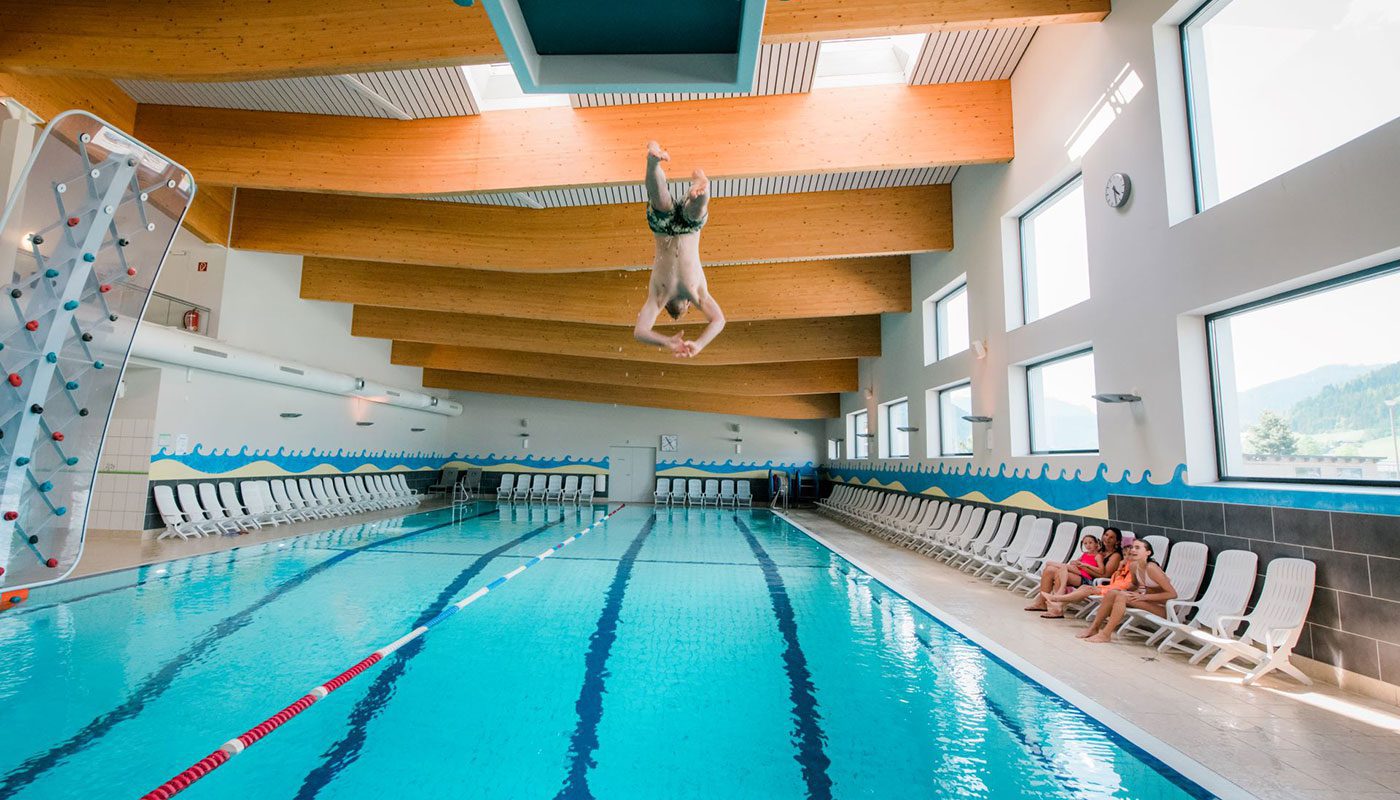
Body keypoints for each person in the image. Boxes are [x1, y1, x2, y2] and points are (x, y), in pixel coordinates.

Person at [633, 141, 725, 358]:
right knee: (682, 207)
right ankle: (697, 186)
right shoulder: (695, 294)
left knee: (663, 201)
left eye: (683, 312)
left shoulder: (659, 296)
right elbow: (719, 320)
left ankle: (656, 164)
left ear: (683, 305)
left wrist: (668, 342)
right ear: (686, 304)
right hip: (681, 231)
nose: (684, 310)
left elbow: (640, 332)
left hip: (667, 232)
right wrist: (699, 344)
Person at [1077, 538, 1176, 643]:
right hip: (1145, 601)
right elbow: (1134, 585)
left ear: (1148, 553)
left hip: (1164, 609)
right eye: (1133, 547)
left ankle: (1106, 634)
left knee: (1121, 596)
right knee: (1112, 593)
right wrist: (1117, 587)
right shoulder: (1134, 566)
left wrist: (1143, 596)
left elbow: (1172, 594)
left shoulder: (1152, 568)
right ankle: (1094, 628)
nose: (1133, 550)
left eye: (1138, 548)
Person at [1025, 527, 1123, 615]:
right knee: (1049, 570)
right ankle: (1041, 603)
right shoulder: (1098, 550)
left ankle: (1057, 609)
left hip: (1093, 581)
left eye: (1111, 537)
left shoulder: (1115, 556)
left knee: (1059, 573)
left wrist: (1084, 568)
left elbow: (1104, 575)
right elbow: (1084, 560)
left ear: (1117, 541)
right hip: (1083, 575)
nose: (1107, 538)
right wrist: (1077, 564)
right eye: (1106, 535)